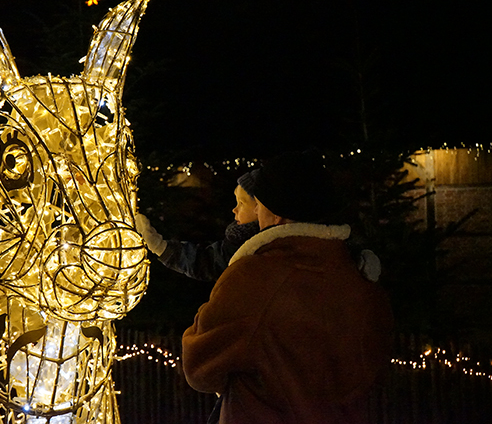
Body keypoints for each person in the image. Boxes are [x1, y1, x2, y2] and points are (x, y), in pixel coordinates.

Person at [181, 151, 393, 424]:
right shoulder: (360, 281)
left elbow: (198, 366)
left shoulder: (255, 278)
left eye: (258, 203)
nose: (255, 212)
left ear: (277, 211)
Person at [135, 170, 263, 282]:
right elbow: (207, 261)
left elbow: (208, 264)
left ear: (262, 208)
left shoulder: (260, 248)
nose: (234, 210)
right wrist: (161, 247)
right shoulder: (239, 242)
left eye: (242, 203)